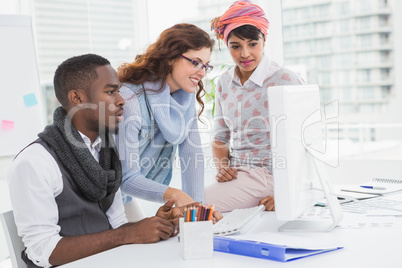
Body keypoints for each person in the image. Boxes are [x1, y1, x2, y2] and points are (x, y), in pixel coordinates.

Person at [7, 54, 192, 267]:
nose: (122, 100)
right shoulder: (34, 163)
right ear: (77, 99)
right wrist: (129, 234)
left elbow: (117, 225)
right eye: (110, 92)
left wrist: (153, 226)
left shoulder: (105, 152)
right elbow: (44, 251)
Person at [205, 0, 305, 212]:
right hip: (240, 175)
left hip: (269, 175)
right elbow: (220, 137)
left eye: (252, 44)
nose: (245, 54)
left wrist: (289, 192)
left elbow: (306, 142)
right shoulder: (224, 82)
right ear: (226, 45)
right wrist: (222, 167)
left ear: (264, 40)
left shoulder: (286, 79)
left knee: (194, 205)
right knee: (190, 202)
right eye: (235, 46)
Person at [116, 23, 220, 216]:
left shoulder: (184, 98)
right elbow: (126, 177)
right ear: (171, 58)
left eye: (205, 66)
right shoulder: (130, 99)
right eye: (195, 63)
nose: (202, 72)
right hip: (96, 201)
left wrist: (198, 213)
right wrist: (176, 195)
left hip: (122, 197)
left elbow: (193, 158)